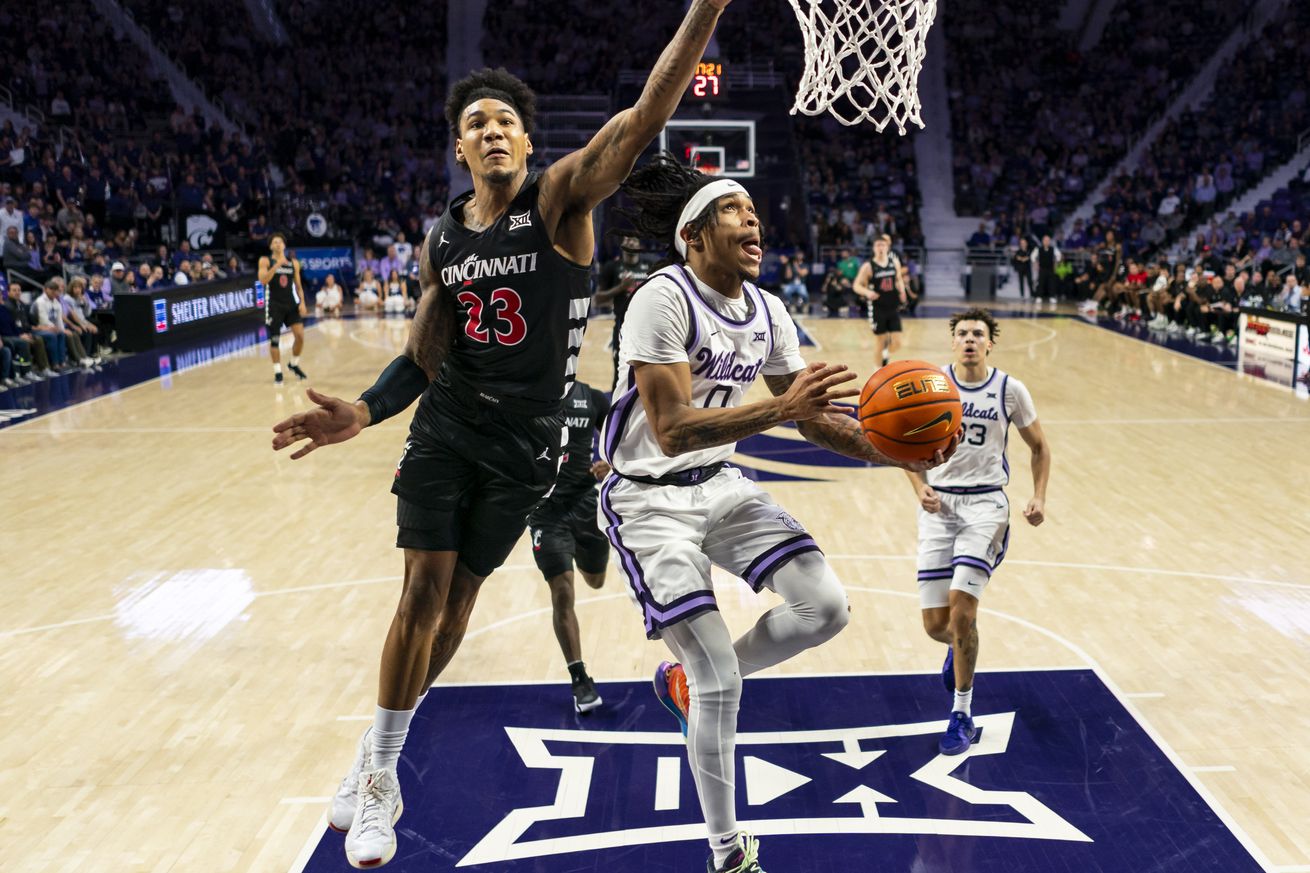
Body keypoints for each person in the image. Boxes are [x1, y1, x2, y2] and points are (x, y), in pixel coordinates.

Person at [269, 4, 738, 865]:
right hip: (448, 427)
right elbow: (421, 355)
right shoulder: (442, 238)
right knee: (421, 591)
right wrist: (365, 412)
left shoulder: (558, 201)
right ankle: (380, 772)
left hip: (530, 445)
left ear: (526, 146)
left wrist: (704, 8)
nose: (492, 132)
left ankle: (375, 752)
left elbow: (644, 119)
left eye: (507, 123)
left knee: (456, 610)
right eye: (476, 123)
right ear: (459, 147)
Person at [603, 155, 956, 873]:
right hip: (646, 497)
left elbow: (814, 418)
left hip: (719, 482)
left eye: (755, 211)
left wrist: (898, 455)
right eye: (735, 211)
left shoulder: (766, 310)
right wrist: (781, 408)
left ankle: (691, 681)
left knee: (825, 608)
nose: (754, 221)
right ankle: (728, 854)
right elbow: (670, 428)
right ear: (693, 236)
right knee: (721, 685)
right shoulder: (662, 298)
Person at [902, 308, 1050, 756]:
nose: (969, 339)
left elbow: (1040, 446)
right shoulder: (933, 387)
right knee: (937, 627)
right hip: (940, 505)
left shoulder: (1010, 389)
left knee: (963, 613)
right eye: (962, 333)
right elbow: (905, 447)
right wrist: (919, 486)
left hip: (987, 505)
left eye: (978, 334)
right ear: (952, 342)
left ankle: (961, 714)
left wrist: (1039, 495)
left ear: (990, 344)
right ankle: (959, 648)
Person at [526, 378, 612, 713]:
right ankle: (580, 679)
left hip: (585, 502)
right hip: (544, 512)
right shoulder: (528, 395)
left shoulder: (590, 398)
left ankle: (576, 551)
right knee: (562, 591)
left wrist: (612, 464)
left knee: (596, 580)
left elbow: (625, 439)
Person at [594, 236, 650, 389]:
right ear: (621, 245)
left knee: (648, 369)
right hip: (622, 325)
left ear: (639, 245)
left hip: (647, 325)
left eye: (634, 240)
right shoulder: (612, 267)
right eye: (626, 239)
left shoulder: (650, 265)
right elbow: (597, 299)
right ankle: (617, 406)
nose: (630, 242)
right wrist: (620, 288)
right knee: (622, 370)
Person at [258, 232, 308, 384]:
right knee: (275, 340)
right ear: (271, 246)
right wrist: (276, 266)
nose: (278, 244)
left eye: (280, 242)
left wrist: (303, 302)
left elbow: (298, 286)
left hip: (290, 304)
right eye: (275, 242)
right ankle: (278, 372)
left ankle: (293, 363)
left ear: (284, 245)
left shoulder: (294, 263)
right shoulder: (265, 260)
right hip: (274, 305)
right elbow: (263, 280)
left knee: (300, 336)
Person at [853, 234, 907, 367]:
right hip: (877, 308)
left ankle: (886, 353)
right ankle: (877, 371)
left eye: (883, 245)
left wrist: (902, 291)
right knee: (880, 340)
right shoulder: (868, 266)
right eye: (878, 245)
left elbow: (899, 279)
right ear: (873, 248)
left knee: (898, 343)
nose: (880, 247)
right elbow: (856, 286)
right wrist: (867, 292)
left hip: (893, 306)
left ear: (888, 247)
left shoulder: (894, 262)